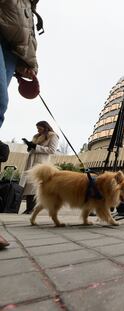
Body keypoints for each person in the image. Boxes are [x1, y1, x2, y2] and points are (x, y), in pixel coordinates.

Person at [0, 0, 44, 249]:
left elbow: (22, 31)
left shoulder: (31, 6)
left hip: (9, 51)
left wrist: (28, 64)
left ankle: (32, 210)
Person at [19, 121, 58, 214]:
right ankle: (29, 208)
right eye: (37, 128)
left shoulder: (52, 136)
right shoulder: (36, 136)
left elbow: (52, 150)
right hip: (31, 161)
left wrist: (36, 147)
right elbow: (34, 148)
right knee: (29, 184)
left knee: (35, 186)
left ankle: (31, 209)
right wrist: (30, 146)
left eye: (40, 128)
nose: (38, 130)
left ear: (46, 127)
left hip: (41, 163)